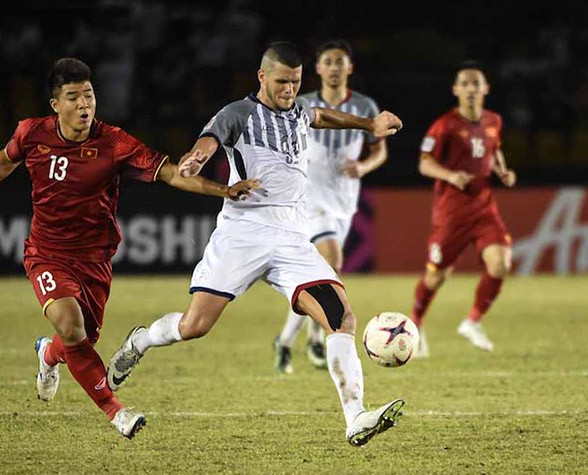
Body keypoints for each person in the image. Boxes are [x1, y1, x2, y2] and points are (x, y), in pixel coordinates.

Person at [106, 41, 405, 447]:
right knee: (195, 326)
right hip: (242, 235)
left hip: (292, 238)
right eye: (281, 81)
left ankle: (355, 417)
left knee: (341, 316)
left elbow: (320, 116)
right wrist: (195, 158)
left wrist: (368, 126)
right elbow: (208, 143)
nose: (288, 90)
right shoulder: (238, 114)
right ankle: (140, 341)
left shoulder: (299, 110)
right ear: (262, 76)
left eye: (296, 82)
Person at [0, 57, 259, 441]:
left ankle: (47, 355)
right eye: (73, 97)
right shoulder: (31, 133)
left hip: (95, 261)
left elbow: (172, 173)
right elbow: (5, 161)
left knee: (80, 338)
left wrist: (224, 190)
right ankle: (116, 411)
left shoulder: (114, 143)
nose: (84, 105)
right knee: (71, 325)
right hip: (47, 253)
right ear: (55, 105)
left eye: (89, 95)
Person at [273, 39, 388, 374]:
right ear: (318, 68)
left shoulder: (365, 106)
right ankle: (317, 338)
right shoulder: (302, 104)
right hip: (307, 200)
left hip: (343, 203)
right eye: (328, 61)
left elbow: (379, 150)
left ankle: (286, 341)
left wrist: (364, 167)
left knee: (321, 275)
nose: (335, 67)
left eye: (341, 61)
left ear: (349, 68)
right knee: (331, 262)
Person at [409, 60, 517, 358]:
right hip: (451, 213)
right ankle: (416, 326)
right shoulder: (444, 126)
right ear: (456, 90)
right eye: (465, 84)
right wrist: (450, 175)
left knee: (501, 263)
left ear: (485, 88)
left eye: (476, 83)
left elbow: (493, 150)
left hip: (484, 208)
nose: (471, 88)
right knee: (436, 277)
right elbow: (424, 163)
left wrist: (503, 170)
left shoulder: (494, 120)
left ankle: (472, 322)